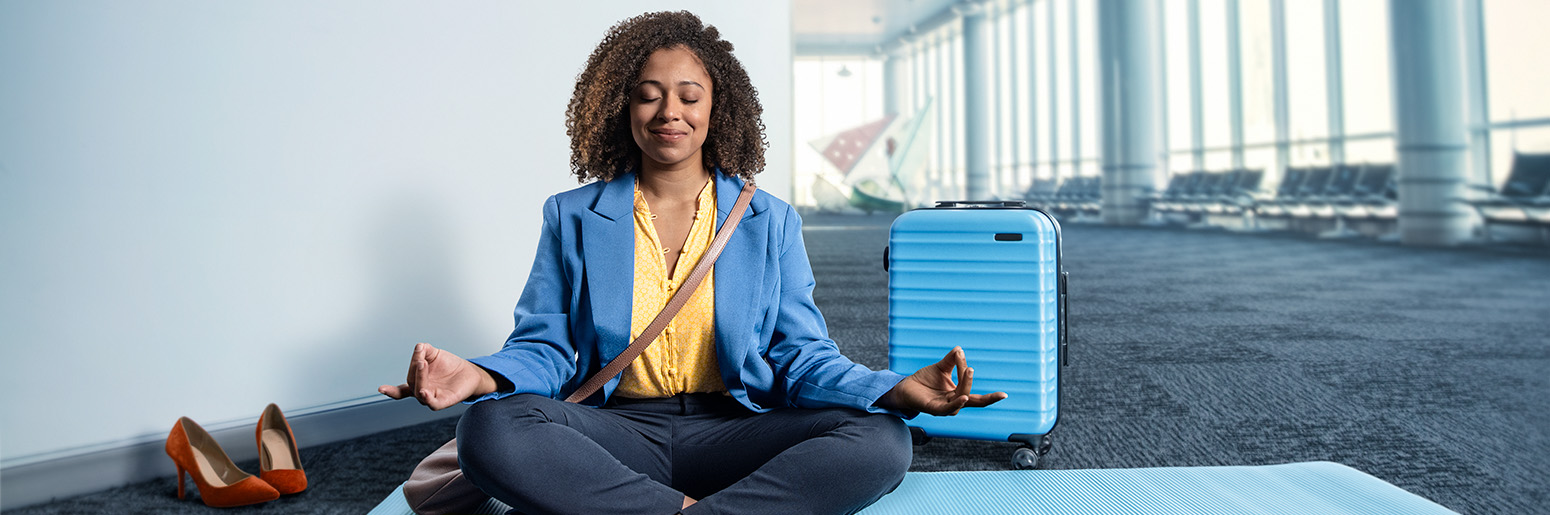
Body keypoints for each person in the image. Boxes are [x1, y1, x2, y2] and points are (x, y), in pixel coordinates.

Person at [379, 11, 1006, 515]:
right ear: (623, 110)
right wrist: (481, 376)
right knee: (490, 431)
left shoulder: (771, 220)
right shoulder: (570, 215)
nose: (669, 112)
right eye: (649, 97)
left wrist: (891, 387)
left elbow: (800, 355)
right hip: (617, 434)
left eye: (688, 95)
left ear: (717, 108)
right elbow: (544, 347)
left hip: (737, 429)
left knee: (882, 440)